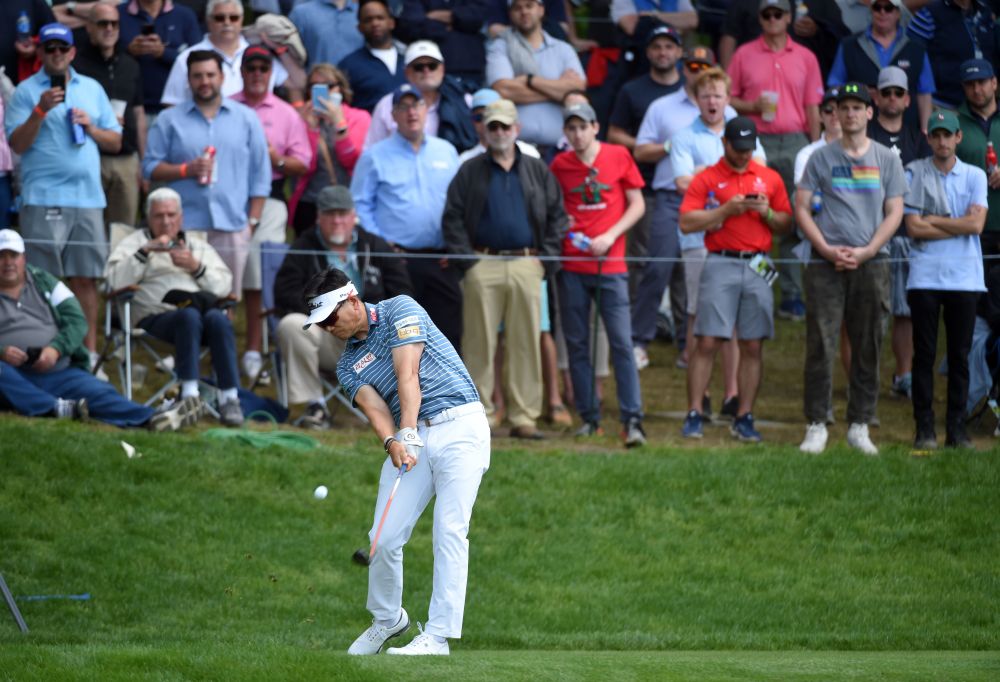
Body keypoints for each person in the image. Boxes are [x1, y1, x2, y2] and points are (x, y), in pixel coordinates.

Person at [302, 267, 489, 657]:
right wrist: (393, 442)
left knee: (449, 531)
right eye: (320, 325)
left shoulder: (400, 308)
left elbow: (408, 376)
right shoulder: (346, 365)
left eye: (330, 318)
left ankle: (437, 636)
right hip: (411, 435)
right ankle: (388, 620)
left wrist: (407, 432)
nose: (327, 329)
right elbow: (375, 411)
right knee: (382, 538)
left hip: (460, 425)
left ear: (352, 300)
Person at [443, 98, 566, 439]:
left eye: (504, 126)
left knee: (526, 341)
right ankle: (477, 415)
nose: (498, 132)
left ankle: (524, 417)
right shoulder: (470, 170)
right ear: (484, 129)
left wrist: (546, 259)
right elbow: (451, 217)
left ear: (517, 129)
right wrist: (467, 261)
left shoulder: (537, 169)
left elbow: (558, 215)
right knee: (479, 343)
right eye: (492, 126)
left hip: (528, 263)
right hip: (483, 263)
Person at [795, 82, 905, 455]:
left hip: (872, 263)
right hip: (825, 265)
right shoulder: (820, 158)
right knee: (820, 344)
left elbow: (895, 212)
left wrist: (868, 250)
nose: (851, 113)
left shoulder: (887, 159)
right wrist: (825, 249)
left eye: (858, 107)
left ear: (869, 113)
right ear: (836, 114)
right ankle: (816, 423)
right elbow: (801, 207)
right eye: (844, 108)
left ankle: (860, 423)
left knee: (869, 344)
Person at [0, 228, 201, 430]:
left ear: (24, 257)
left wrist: (55, 349)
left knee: (98, 391)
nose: (8, 262)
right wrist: (2, 352)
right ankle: (53, 407)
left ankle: (153, 418)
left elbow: (77, 320)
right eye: (1, 256)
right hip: (12, 375)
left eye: (13, 255)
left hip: (58, 370)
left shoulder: (43, 281)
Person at [5, 22, 122, 368]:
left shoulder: (93, 88)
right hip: (43, 197)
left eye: (62, 49)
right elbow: (17, 145)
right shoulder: (26, 92)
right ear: (40, 53)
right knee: (45, 281)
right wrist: (40, 111)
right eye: (50, 49)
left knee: (86, 279)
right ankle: (51, 352)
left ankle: (88, 354)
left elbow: (116, 141)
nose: (56, 54)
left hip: (88, 198)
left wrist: (93, 128)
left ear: (72, 52)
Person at [678, 117, 791, 442]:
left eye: (748, 149)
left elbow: (786, 223)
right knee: (708, 340)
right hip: (720, 261)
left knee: (753, 343)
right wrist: (726, 211)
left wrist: (767, 212)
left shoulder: (768, 177)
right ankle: (695, 411)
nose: (743, 155)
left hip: (758, 264)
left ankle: (744, 415)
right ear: (725, 144)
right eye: (738, 148)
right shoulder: (707, 178)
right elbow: (686, 222)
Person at [671, 69, 768, 422]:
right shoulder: (683, 136)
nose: (712, 101)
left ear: (729, 98)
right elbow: (684, 183)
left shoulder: (743, 131)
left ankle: (731, 392)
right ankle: (702, 395)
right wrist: (725, 182)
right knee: (701, 316)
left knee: (737, 321)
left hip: (743, 238)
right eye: (706, 95)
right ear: (697, 100)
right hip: (698, 240)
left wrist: (712, 183)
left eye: (718, 95)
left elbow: (761, 175)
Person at [632, 46, 736, 370]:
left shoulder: (729, 116)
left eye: (704, 65)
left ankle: (685, 346)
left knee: (694, 274)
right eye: (692, 65)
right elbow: (640, 151)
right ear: (684, 67)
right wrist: (670, 146)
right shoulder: (662, 106)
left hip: (717, 205)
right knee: (659, 267)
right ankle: (639, 340)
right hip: (670, 198)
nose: (698, 70)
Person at [104, 188, 245, 426]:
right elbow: (113, 281)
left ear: (181, 218)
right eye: (159, 215)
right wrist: (144, 252)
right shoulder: (135, 242)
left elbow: (225, 285)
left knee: (218, 319)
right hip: (154, 318)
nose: (166, 221)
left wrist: (195, 266)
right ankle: (189, 395)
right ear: (149, 217)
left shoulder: (196, 245)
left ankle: (229, 398)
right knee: (187, 316)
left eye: (171, 215)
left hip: (201, 317)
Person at [274, 186, 412, 429]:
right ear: (319, 217)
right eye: (330, 214)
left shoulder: (374, 245)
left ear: (353, 216)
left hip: (372, 339)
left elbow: (403, 291)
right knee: (290, 325)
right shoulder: (303, 246)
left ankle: (398, 410)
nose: (337, 220)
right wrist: (324, 315)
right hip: (326, 334)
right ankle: (314, 406)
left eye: (342, 213)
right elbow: (284, 292)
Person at [551, 103, 647, 446]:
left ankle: (632, 419)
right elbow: (554, 209)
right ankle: (589, 418)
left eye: (582, 127)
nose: (577, 134)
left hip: (612, 265)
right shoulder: (560, 165)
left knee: (621, 342)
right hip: (573, 266)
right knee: (577, 344)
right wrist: (566, 224)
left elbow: (638, 203)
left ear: (595, 127)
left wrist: (611, 236)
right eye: (571, 129)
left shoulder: (619, 155)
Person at [143, 50, 271, 305]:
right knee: (189, 299)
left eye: (211, 75)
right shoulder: (169, 120)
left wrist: (251, 223)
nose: (205, 81)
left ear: (222, 77)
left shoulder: (246, 118)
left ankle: (225, 346)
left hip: (232, 225)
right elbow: (148, 167)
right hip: (185, 226)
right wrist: (184, 170)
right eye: (198, 76)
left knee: (228, 298)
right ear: (188, 80)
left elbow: (261, 175)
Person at [728, 0, 825, 323]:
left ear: (788, 17)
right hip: (756, 141)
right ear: (759, 18)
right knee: (757, 216)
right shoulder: (744, 54)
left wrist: (815, 147)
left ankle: (793, 295)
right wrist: (752, 104)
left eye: (778, 14)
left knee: (795, 218)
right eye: (767, 14)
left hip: (797, 140)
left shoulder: (805, 56)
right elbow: (726, 98)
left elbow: (813, 105)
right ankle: (759, 290)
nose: (772, 19)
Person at [350, 83, 463, 350]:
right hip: (396, 260)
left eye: (417, 105)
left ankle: (444, 392)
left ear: (427, 111)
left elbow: (459, 203)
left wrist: (457, 244)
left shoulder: (446, 151)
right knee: (403, 338)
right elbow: (360, 206)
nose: (411, 112)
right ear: (394, 114)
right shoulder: (374, 156)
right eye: (404, 107)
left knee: (448, 337)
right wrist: (381, 248)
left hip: (441, 259)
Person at [904, 110, 987, 450]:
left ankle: (956, 429)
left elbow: (976, 226)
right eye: (936, 135)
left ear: (958, 138)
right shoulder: (915, 173)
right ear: (929, 138)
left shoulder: (975, 175)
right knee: (923, 355)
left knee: (960, 356)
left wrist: (934, 221)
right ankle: (924, 428)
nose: (941, 141)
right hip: (924, 275)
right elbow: (912, 227)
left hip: (965, 278)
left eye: (947, 135)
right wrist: (956, 222)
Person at [230, 44, 311, 384]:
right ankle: (220, 343)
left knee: (260, 271)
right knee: (223, 269)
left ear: (271, 73)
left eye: (264, 68)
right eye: (252, 68)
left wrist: (274, 157)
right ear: (243, 72)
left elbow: (302, 162)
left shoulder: (285, 113)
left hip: (272, 197)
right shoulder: (228, 106)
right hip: (228, 196)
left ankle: (254, 348)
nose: (258, 74)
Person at [867, 65, 932, 402]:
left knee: (905, 310)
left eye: (898, 93)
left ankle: (903, 374)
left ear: (908, 99)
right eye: (886, 92)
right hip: (871, 232)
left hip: (907, 235)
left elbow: (921, 185)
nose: (892, 98)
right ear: (875, 97)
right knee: (871, 310)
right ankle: (866, 375)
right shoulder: (864, 135)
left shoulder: (919, 140)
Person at [607, 23, 685, 300]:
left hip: (688, 186)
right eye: (656, 47)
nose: (663, 52)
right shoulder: (633, 90)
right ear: (648, 52)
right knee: (642, 254)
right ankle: (636, 321)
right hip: (646, 183)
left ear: (679, 52)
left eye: (668, 46)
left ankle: (680, 326)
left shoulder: (693, 92)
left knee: (683, 259)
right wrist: (649, 147)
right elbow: (614, 133)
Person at [73, 2, 146, 228]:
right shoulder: (76, 66)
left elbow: (139, 114)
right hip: (90, 156)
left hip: (126, 158)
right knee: (89, 230)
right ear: (89, 27)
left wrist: (143, 162)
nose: (109, 29)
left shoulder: (130, 64)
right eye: (103, 23)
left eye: (114, 23)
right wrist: (101, 121)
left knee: (122, 233)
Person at [485, 0, 586, 151]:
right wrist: (559, 91)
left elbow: (578, 88)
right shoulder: (500, 46)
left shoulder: (563, 49)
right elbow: (503, 90)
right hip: (517, 149)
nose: (524, 11)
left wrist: (531, 80)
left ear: (541, 9)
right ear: (510, 14)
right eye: (517, 8)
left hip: (561, 149)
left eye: (529, 6)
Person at [290, 63, 372, 234]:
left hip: (347, 201)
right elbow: (305, 167)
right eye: (316, 87)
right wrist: (311, 130)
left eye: (329, 86)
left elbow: (353, 163)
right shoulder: (300, 120)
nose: (324, 92)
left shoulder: (359, 117)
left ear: (340, 89)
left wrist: (340, 125)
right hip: (312, 202)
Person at [826, 0, 933, 130]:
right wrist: (857, 91)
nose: (882, 12)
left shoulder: (916, 49)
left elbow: (925, 94)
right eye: (877, 7)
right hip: (860, 131)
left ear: (898, 13)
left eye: (888, 8)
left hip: (906, 133)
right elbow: (835, 87)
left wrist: (925, 131)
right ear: (871, 11)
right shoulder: (849, 46)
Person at [160, 0, 289, 106]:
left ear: (241, 20)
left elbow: (296, 84)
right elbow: (172, 104)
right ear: (208, 21)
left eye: (233, 18)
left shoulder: (259, 54)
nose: (227, 22)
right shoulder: (187, 58)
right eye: (219, 18)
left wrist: (280, 50)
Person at [363, 40, 477, 153]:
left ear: (442, 69)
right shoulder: (387, 104)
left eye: (432, 66)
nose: (426, 71)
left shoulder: (465, 101)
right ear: (407, 72)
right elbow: (371, 150)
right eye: (419, 67)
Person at [118, 0, 201, 122]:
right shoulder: (118, 13)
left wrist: (164, 53)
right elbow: (103, 55)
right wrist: (128, 51)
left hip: (176, 108)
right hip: (129, 109)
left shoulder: (184, 15)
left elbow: (200, 59)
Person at [907, 0, 1000, 110]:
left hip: (982, 108)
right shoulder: (929, 14)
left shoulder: (985, 12)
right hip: (943, 106)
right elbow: (910, 55)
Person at [955, 59, 1000, 278]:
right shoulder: (953, 124)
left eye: (981, 82)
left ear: (994, 83)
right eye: (970, 84)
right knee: (976, 301)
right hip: (972, 226)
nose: (976, 89)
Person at [398, 0, 488, 88]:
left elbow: (477, 17)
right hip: (429, 70)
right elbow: (412, 24)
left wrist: (436, 16)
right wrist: (450, 26)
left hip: (469, 68)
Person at [337, 0, 407, 113]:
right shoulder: (348, 66)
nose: (375, 23)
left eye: (380, 18)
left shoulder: (411, 61)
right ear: (359, 27)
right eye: (368, 20)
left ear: (391, 23)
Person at [290, 0, 363, 69]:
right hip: (318, 80)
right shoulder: (301, 13)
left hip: (361, 80)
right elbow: (291, 58)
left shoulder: (363, 12)